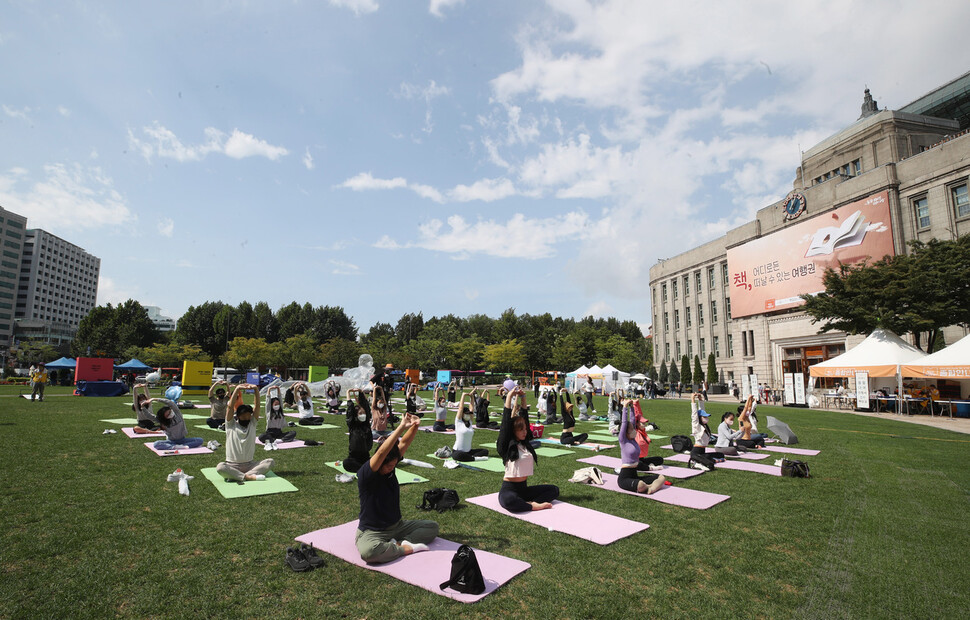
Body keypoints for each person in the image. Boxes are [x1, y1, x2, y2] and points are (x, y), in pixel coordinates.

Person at [355, 412, 439, 564]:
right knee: (369, 553)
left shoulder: (390, 465)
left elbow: (403, 444)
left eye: (394, 465)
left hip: (397, 526)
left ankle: (403, 542)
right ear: (379, 462)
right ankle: (404, 549)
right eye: (388, 466)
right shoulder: (367, 474)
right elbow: (381, 452)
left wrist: (415, 426)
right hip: (373, 532)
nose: (391, 468)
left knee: (432, 527)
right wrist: (401, 427)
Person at [496, 387, 559, 512]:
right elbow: (505, 424)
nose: (525, 432)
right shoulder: (506, 447)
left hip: (524, 489)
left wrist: (523, 397)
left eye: (526, 429)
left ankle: (525, 503)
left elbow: (524, 417)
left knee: (554, 490)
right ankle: (533, 506)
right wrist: (509, 396)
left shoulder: (525, 444)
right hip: (509, 489)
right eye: (522, 430)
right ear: (514, 431)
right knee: (509, 501)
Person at [215, 384, 275, 482]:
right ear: (238, 416)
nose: (247, 418)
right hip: (232, 464)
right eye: (244, 416)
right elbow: (230, 407)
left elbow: (257, 406)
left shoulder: (252, 423)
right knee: (220, 467)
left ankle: (237, 476)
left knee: (270, 462)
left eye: (248, 416)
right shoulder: (231, 425)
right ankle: (248, 477)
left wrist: (256, 389)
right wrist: (237, 389)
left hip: (250, 465)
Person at [617, 399, 667, 493]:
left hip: (635, 475)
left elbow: (632, 420)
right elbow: (624, 423)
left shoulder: (633, 440)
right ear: (625, 432)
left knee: (661, 477)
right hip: (624, 478)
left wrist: (632, 406)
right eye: (631, 429)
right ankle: (648, 487)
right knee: (640, 485)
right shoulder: (623, 440)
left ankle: (650, 489)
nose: (634, 430)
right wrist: (624, 407)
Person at [689, 392, 724, 471]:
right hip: (696, 452)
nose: (706, 418)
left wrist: (700, 399)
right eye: (704, 417)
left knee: (721, 454)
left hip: (703, 452)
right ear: (700, 418)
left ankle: (700, 462)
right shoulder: (696, 426)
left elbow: (702, 410)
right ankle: (696, 463)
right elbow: (694, 414)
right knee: (710, 465)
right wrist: (693, 399)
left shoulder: (705, 426)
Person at [452, 392, 490, 462]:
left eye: (469, 414)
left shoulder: (470, 422)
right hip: (457, 451)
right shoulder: (458, 422)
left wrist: (472, 397)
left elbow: (472, 409)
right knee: (457, 455)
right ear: (462, 414)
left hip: (468, 451)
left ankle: (469, 457)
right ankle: (475, 458)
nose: (468, 415)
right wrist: (463, 395)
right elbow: (460, 408)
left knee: (485, 451)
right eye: (466, 414)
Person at [343, 389, 374, 473]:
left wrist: (361, 392)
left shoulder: (366, 424)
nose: (363, 415)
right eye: (360, 413)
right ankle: (365, 469)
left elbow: (366, 406)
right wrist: (348, 393)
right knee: (346, 463)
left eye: (363, 413)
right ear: (356, 415)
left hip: (365, 457)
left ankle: (364, 468)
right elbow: (350, 410)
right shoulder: (353, 425)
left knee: (377, 459)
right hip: (354, 458)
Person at [631, 399, 664, 470]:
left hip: (641, 458)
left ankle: (646, 465)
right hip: (634, 460)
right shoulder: (634, 431)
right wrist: (634, 404)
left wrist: (637, 403)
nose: (644, 424)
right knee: (638, 465)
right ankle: (650, 467)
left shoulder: (643, 431)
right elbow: (635, 416)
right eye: (642, 423)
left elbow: (640, 414)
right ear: (637, 423)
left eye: (644, 423)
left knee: (660, 459)